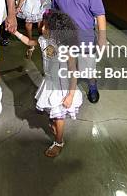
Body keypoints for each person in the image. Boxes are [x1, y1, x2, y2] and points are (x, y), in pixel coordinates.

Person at [11, 10, 81, 158]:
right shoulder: (43, 40)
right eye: (42, 25)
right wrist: (15, 32)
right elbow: (30, 42)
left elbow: (74, 72)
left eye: (46, 27)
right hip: (49, 81)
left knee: (58, 115)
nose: (41, 29)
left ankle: (59, 142)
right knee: (53, 111)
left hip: (62, 86)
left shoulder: (66, 48)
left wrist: (71, 94)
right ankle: (56, 125)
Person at [52, 0, 107, 103]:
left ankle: (92, 85)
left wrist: (102, 39)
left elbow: (100, 16)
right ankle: (71, 90)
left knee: (88, 66)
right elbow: (54, 12)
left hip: (86, 37)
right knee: (71, 65)